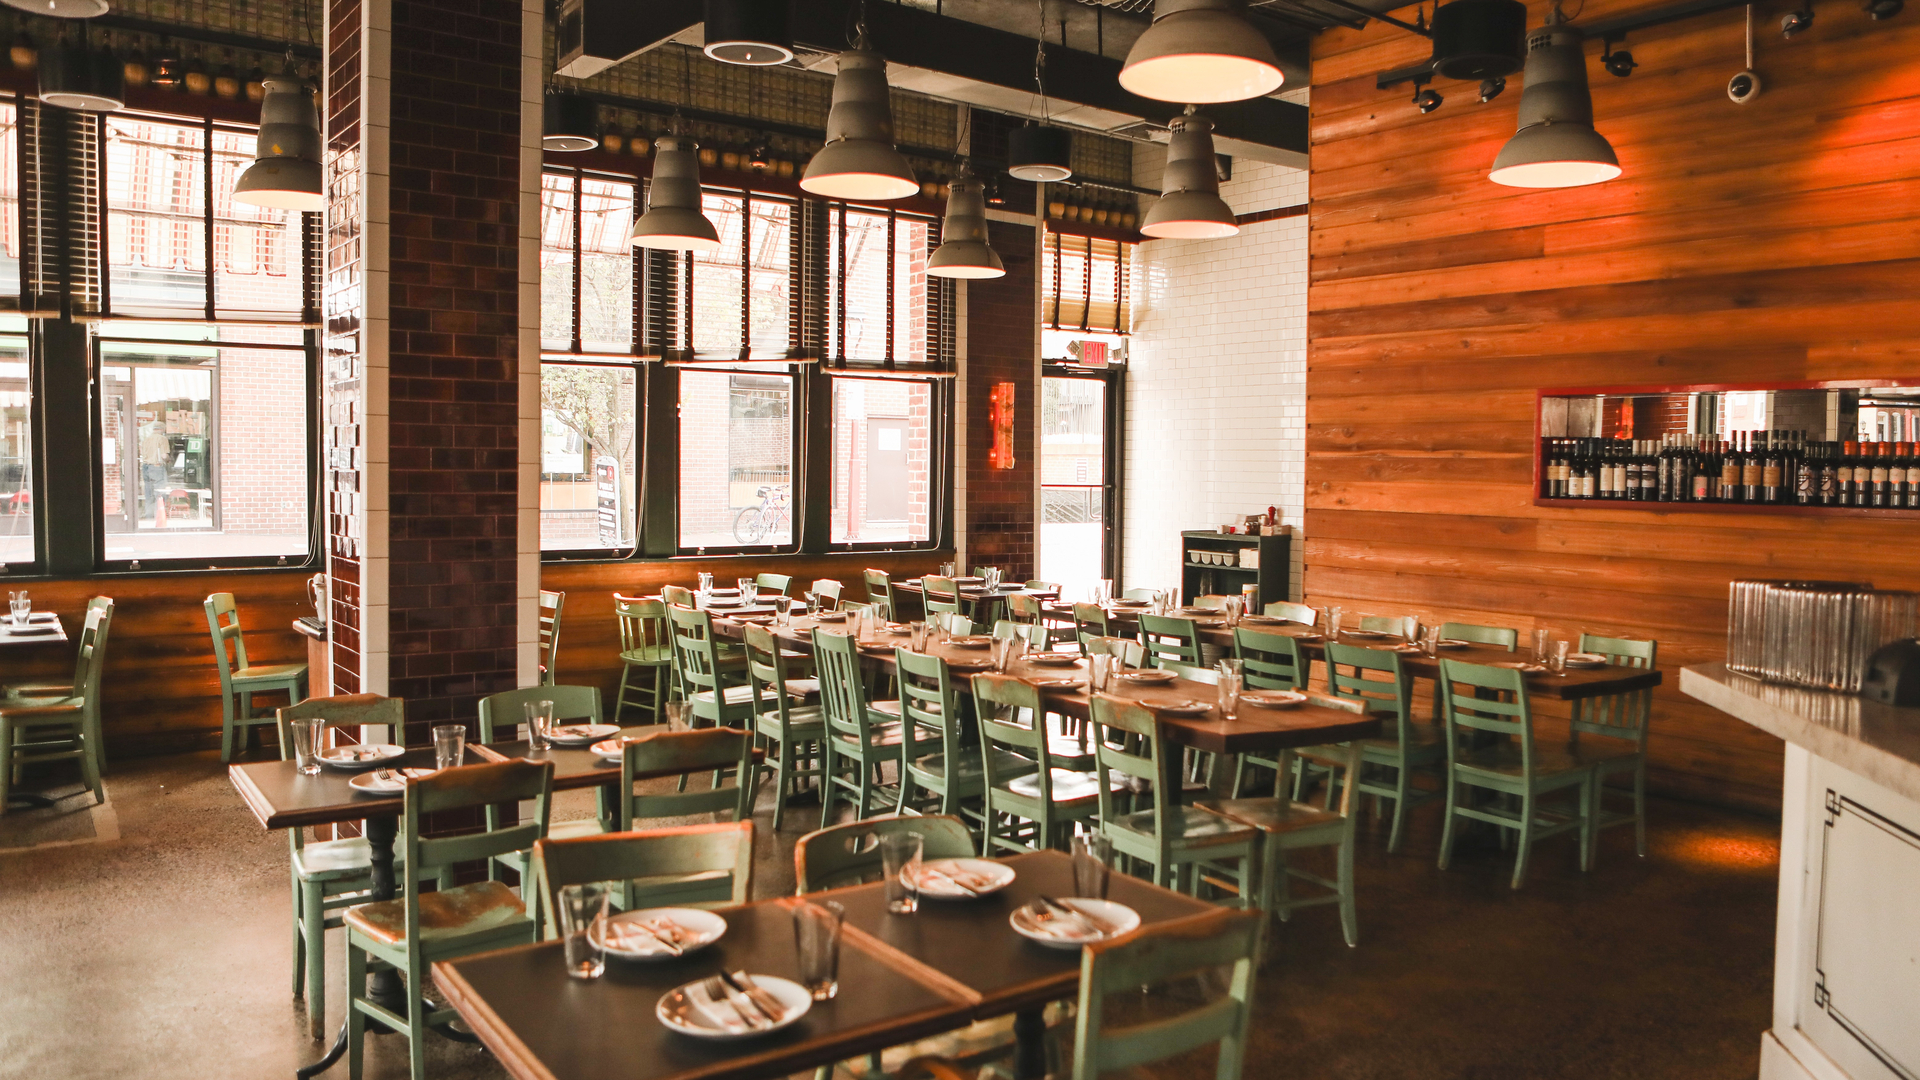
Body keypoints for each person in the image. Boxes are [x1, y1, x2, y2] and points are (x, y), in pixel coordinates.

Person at [139, 422, 171, 524]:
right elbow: (164, 456)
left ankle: (149, 516)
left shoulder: (146, 439)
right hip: (156, 467)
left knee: (149, 494)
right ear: (162, 429)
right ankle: (159, 516)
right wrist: (170, 460)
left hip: (145, 467)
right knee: (160, 493)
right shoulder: (162, 439)